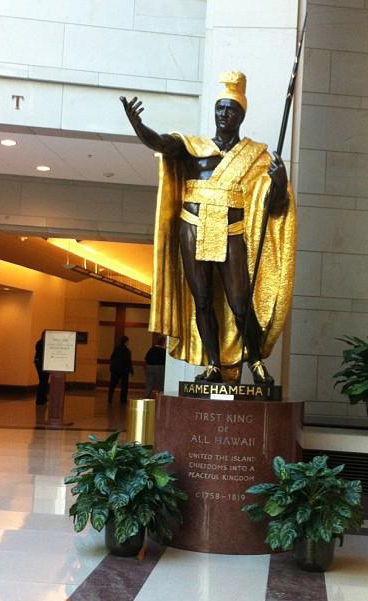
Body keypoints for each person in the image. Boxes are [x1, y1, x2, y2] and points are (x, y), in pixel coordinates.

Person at [120, 71, 296, 384]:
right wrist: (138, 127)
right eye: (219, 108)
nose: (223, 114)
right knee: (201, 299)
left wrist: (279, 182)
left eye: (230, 109)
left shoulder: (256, 156)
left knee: (240, 303)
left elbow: (274, 205)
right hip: (194, 227)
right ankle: (213, 364)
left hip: (232, 231)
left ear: (241, 115)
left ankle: (254, 362)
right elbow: (159, 141)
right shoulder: (192, 147)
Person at [108, 335, 133, 404]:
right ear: (126, 342)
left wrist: (111, 367)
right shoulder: (127, 351)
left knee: (112, 384)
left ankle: (110, 398)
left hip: (115, 369)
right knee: (124, 385)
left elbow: (112, 358)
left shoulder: (116, 349)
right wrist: (131, 370)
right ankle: (123, 399)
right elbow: (128, 361)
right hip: (124, 370)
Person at [34, 333, 49, 423]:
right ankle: (40, 399)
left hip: (44, 364)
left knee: (44, 381)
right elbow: (42, 354)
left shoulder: (43, 343)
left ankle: (43, 398)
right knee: (43, 381)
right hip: (40, 364)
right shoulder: (40, 343)